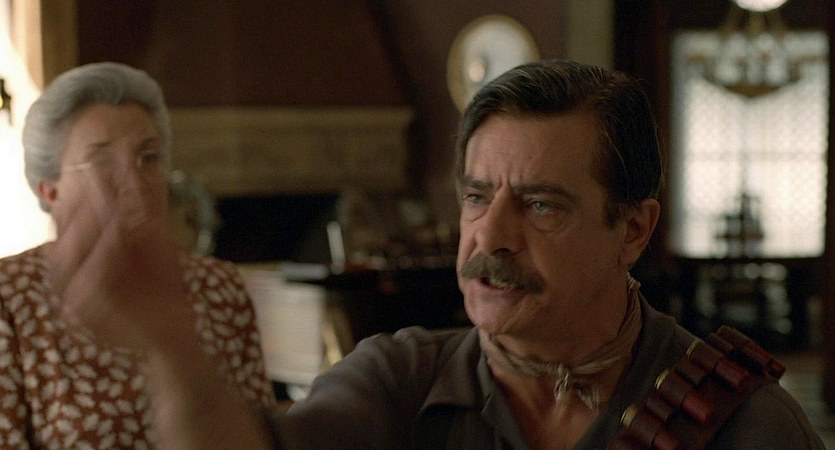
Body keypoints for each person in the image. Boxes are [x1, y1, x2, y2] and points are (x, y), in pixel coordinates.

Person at [45, 59, 825, 449]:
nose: (490, 237)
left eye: (541, 204)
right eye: (477, 196)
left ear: (631, 229)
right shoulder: (399, 380)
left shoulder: (740, 420)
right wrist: (174, 352)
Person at [0, 62, 277, 449]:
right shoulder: (9, 295)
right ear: (51, 191)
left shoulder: (219, 286)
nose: (134, 183)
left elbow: (262, 436)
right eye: (102, 162)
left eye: (149, 158)